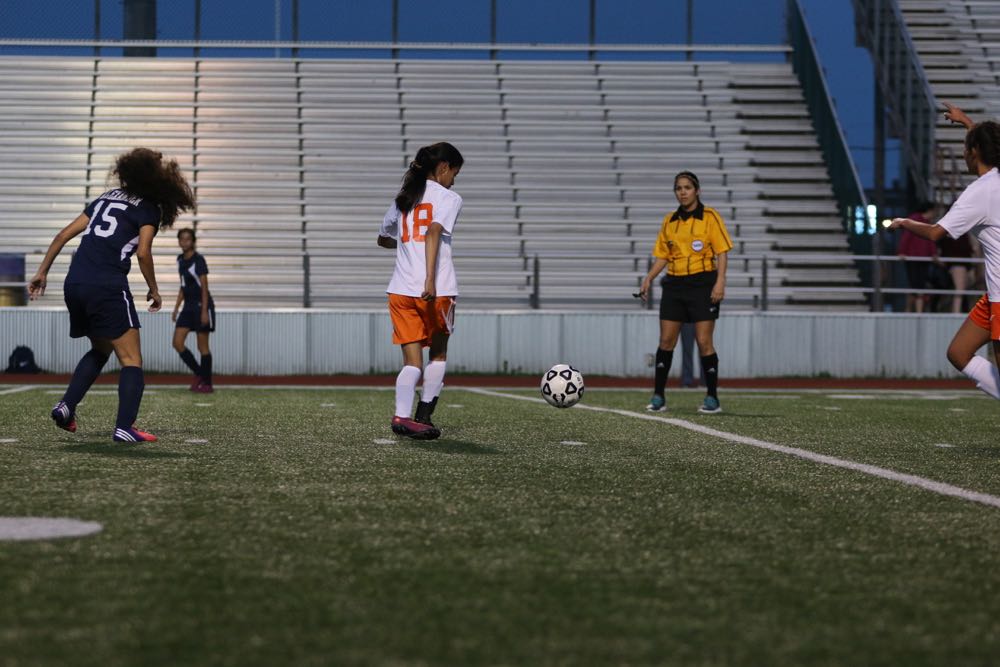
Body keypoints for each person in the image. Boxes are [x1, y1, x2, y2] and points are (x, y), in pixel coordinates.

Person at [27, 148, 195, 442]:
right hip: (106, 285)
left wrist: (41, 273)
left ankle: (67, 407)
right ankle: (125, 426)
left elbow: (62, 236)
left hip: (75, 283)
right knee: (131, 359)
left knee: (101, 349)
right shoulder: (148, 209)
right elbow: (143, 253)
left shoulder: (104, 199)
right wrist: (154, 290)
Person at [889, 103, 1000, 399]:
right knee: (959, 352)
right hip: (994, 297)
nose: (963, 154)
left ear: (974, 151)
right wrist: (967, 123)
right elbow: (989, 145)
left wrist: (904, 222)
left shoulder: (979, 192)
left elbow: (937, 232)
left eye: (967, 148)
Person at [377, 142, 464, 440]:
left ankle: (402, 417)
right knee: (438, 354)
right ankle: (424, 414)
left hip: (400, 290)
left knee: (411, 362)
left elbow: (383, 238)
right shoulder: (449, 197)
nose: (454, 179)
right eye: (454, 173)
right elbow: (433, 231)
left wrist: (404, 245)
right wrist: (429, 279)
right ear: (442, 169)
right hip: (435, 289)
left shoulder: (403, 199)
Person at [638, 170, 733, 414]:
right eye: (678, 188)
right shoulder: (670, 220)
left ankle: (712, 397)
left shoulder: (710, 217)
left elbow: (722, 252)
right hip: (675, 284)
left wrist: (720, 281)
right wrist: (649, 278)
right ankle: (658, 396)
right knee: (666, 341)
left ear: (697, 190)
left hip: (703, 284)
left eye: (687, 188)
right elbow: (663, 255)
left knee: (704, 341)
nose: (682, 192)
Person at [171, 228, 215, 392]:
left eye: (188, 239)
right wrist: (176, 308)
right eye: (181, 239)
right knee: (177, 343)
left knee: (202, 347)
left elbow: (204, 288)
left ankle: (207, 383)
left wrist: (204, 311)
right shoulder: (180, 260)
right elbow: (183, 286)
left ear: (193, 241)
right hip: (188, 307)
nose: (184, 242)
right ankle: (199, 374)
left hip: (201, 305)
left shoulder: (199, 260)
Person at [897, 201, 940, 313]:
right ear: (930, 210)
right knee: (915, 284)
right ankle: (915, 310)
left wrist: (933, 253)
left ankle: (915, 310)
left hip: (924, 258)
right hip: (913, 257)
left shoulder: (928, 222)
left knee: (919, 284)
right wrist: (902, 251)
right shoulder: (914, 219)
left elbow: (930, 239)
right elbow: (906, 236)